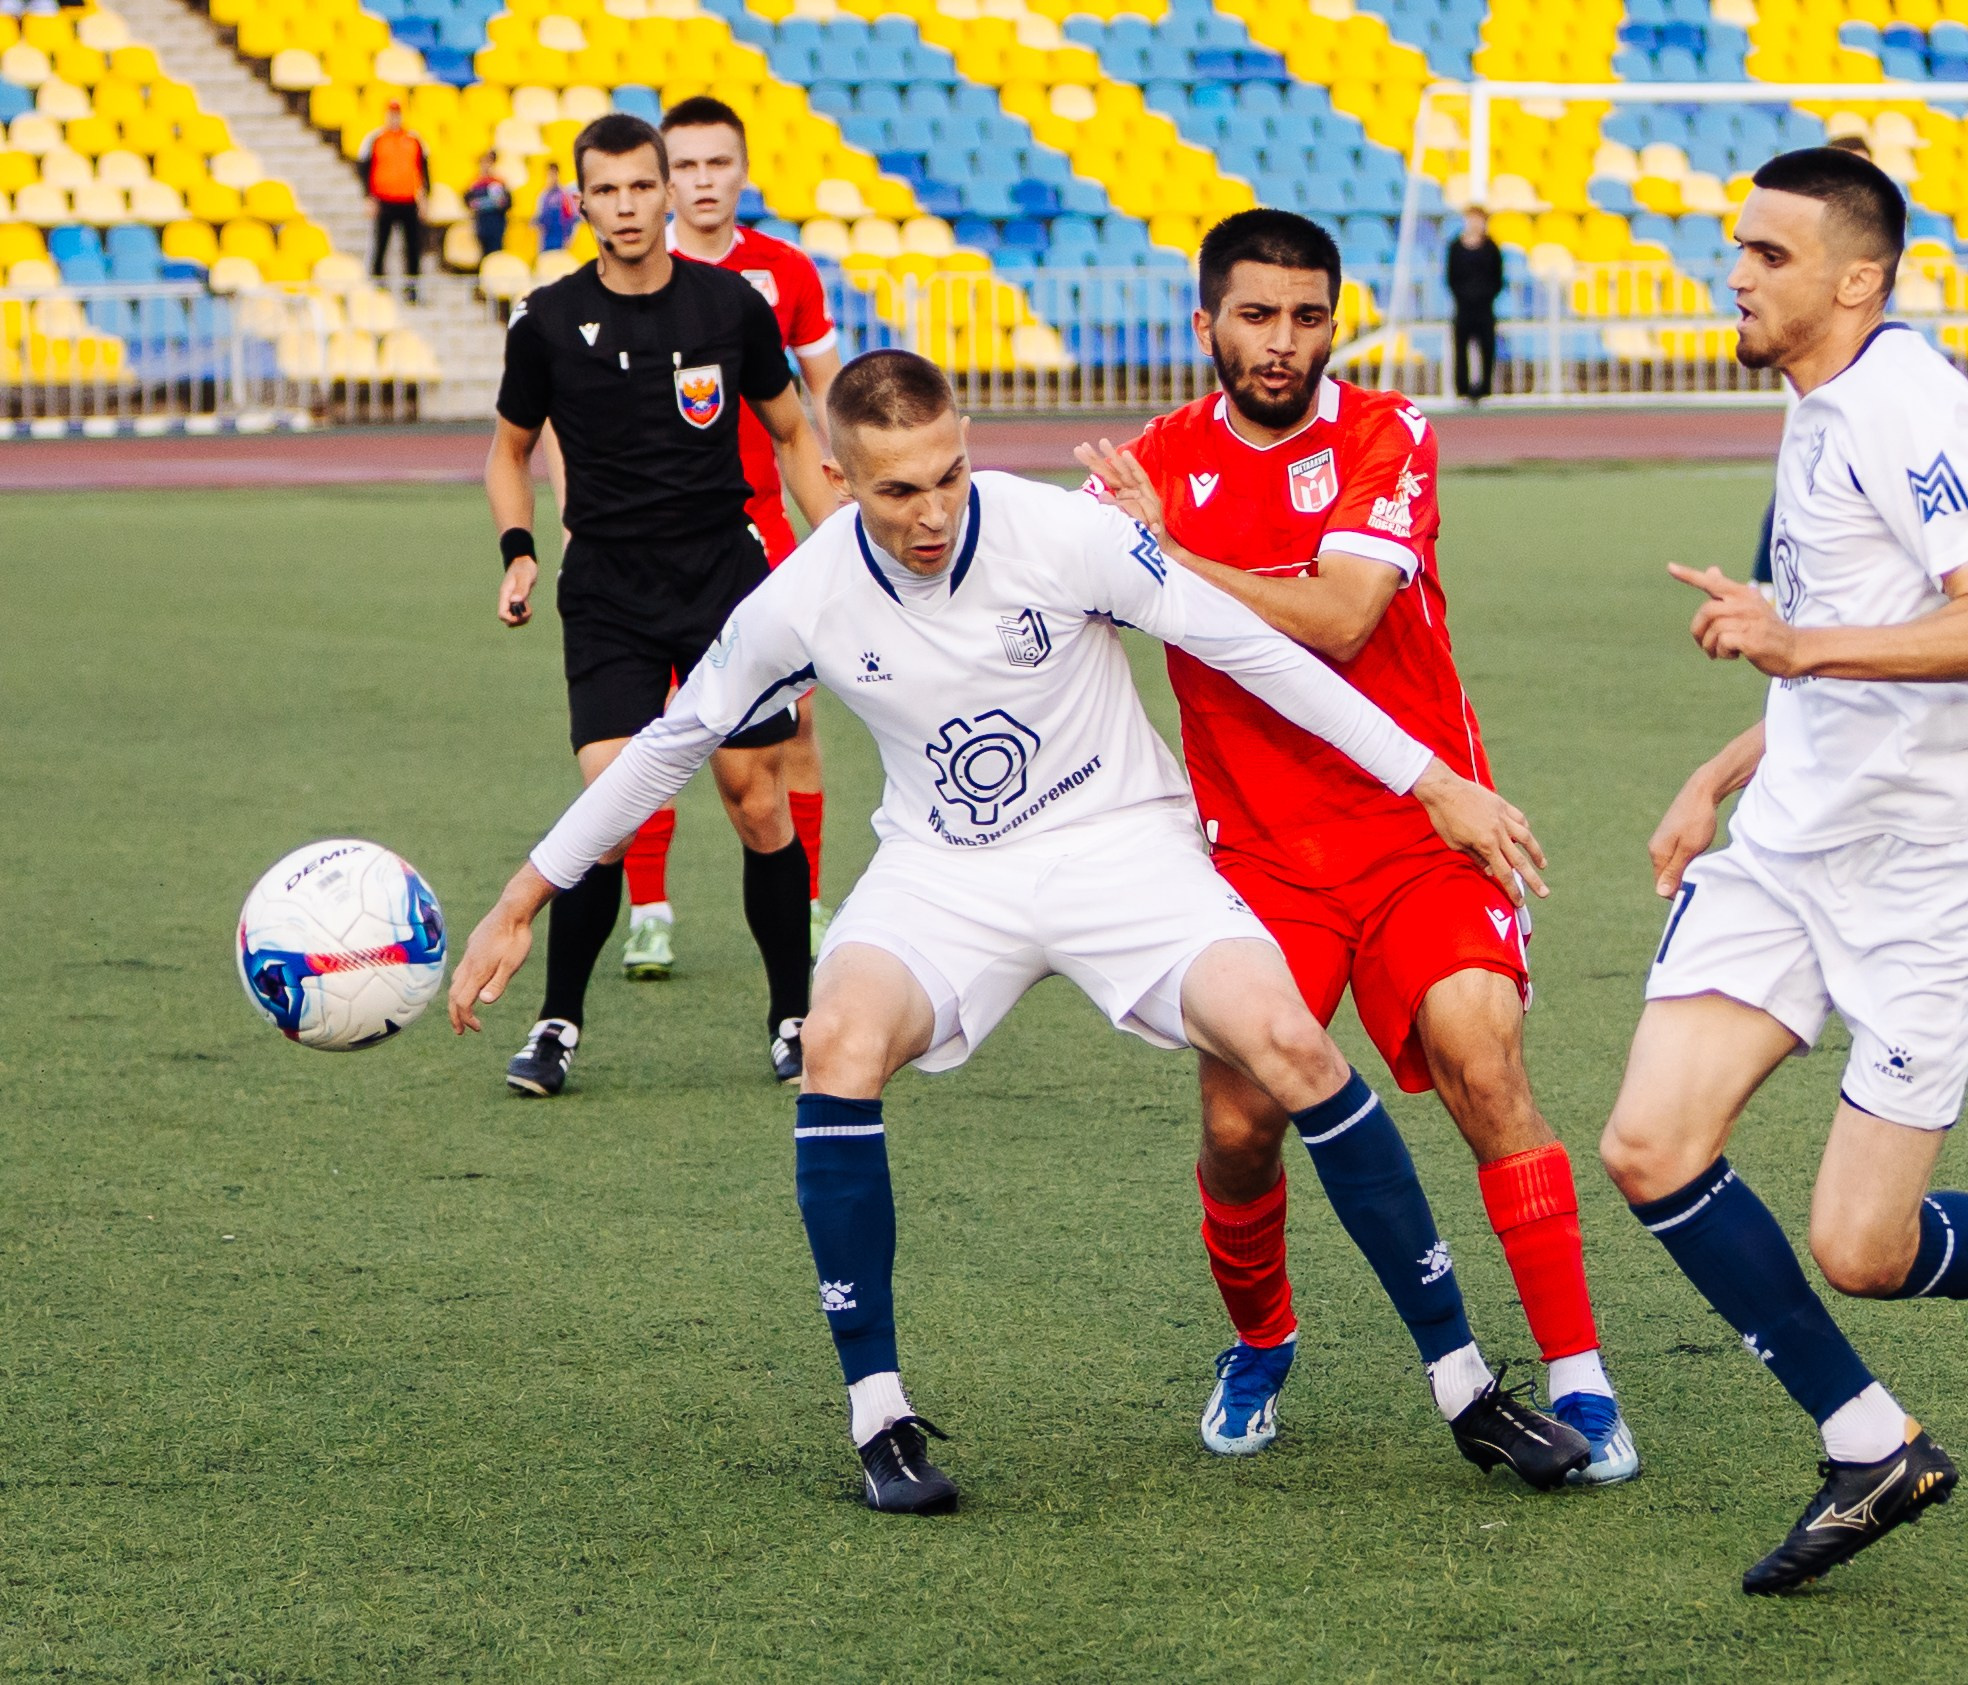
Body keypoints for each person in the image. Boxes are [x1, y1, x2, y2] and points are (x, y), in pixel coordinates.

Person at [445, 349, 1593, 1514]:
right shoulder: (798, 597)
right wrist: (521, 896)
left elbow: (1245, 645)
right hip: (943, 874)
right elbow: (670, 740)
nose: (934, 510)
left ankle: (1463, 1387)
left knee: (1290, 1045)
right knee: (838, 1044)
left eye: (949, 474)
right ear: (835, 477)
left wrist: (1427, 776)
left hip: (1119, 845)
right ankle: (880, 1418)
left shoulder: (1064, 535)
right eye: (896, 491)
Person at [1594, 148, 1968, 1595]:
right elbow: (1833, 641)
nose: (1738, 273)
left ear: (1858, 277)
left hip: (1925, 875)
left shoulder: (1911, 407)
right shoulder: (1816, 406)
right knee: (1652, 1144)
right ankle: (1870, 1441)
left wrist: (1795, 643)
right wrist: (1719, 775)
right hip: (1790, 853)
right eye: (1737, 248)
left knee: (1862, 1245)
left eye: (1769, 254)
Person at [1074, 209, 1637, 1485]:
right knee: (1235, 1123)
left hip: (1416, 828)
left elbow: (1337, 617)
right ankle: (1261, 1340)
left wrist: (1162, 550)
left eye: (1307, 317)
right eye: (1256, 316)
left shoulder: (1390, 433)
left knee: (1480, 1055)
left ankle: (1581, 1378)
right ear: (1205, 318)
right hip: (1253, 860)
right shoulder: (1149, 460)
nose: (1282, 344)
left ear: (1338, 319)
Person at [482, 113, 837, 1096]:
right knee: (606, 805)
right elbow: (507, 451)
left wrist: (845, 547)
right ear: (581, 201)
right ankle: (555, 1025)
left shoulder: (728, 307)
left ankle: (792, 1016)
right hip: (605, 588)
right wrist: (517, 551)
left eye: (645, 186)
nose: (629, 206)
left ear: (667, 192)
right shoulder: (546, 321)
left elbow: (792, 434)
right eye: (608, 191)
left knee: (754, 799)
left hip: (723, 582)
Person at [608, 96, 849, 986]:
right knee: (653, 720)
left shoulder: (783, 273)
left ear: (743, 173)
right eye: (690, 167)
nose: (705, 183)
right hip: (659, 534)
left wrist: (852, 479)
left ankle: (810, 895)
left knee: (795, 721)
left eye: (721, 165)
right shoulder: (633, 276)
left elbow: (827, 388)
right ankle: (650, 913)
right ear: (666, 181)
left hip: (769, 528)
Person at [357, 100, 428, 294]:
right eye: (391, 113)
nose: (394, 118)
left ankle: (412, 288)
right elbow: (364, 169)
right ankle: (378, 284)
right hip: (385, 199)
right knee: (381, 244)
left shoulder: (414, 139)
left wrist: (424, 198)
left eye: (397, 114)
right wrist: (369, 198)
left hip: (408, 200)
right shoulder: (375, 139)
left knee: (412, 247)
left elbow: (423, 170)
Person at [1444, 208, 1503, 405]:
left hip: (1485, 307)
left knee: (1487, 347)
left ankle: (1484, 389)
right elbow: (1450, 277)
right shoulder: (1455, 247)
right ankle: (1463, 390)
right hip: (1463, 307)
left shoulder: (1491, 247)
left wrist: (1485, 295)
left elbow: (1497, 278)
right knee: (1461, 349)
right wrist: (1463, 296)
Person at [463, 151, 511, 263]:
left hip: (496, 224)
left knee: (496, 256)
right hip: (481, 225)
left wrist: (502, 203)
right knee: (482, 257)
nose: (485, 166)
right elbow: (467, 201)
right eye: (483, 163)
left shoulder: (499, 182)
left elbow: (507, 203)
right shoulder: (475, 183)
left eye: (488, 163)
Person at [535, 162, 577, 254]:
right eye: (549, 175)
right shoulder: (543, 196)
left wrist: (569, 239)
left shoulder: (564, 195)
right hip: (546, 242)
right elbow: (539, 220)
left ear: (558, 174)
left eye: (554, 174)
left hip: (561, 240)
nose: (551, 177)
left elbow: (571, 218)